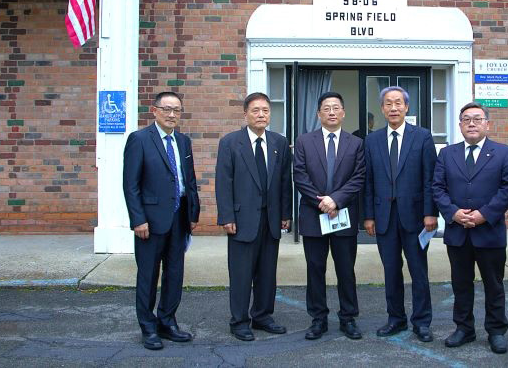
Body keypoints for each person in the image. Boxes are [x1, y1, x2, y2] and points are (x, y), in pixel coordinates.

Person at [432, 102, 508, 353]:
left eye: (477, 119)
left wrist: (484, 215)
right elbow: (437, 187)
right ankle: (464, 328)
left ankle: (496, 330)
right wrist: (453, 213)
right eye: (466, 119)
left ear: (487, 124)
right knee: (461, 284)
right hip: (458, 232)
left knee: (494, 285)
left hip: (489, 232)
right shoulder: (447, 154)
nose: (471, 123)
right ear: (460, 125)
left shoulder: (504, 153)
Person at [122, 91, 200, 350]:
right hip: (150, 221)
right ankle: (148, 327)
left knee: (174, 273)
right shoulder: (139, 140)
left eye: (176, 110)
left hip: (179, 218)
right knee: (148, 275)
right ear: (154, 110)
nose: (172, 114)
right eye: (166, 109)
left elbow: (189, 180)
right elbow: (131, 184)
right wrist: (138, 220)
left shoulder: (183, 141)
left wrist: (193, 214)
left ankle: (167, 322)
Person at [215, 92, 293, 341]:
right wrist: (227, 216)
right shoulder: (230, 143)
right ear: (245, 114)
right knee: (241, 274)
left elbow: (285, 181)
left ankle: (262, 316)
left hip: (271, 219)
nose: (261, 115)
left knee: (267, 273)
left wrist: (286, 213)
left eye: (265, 110)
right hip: (241, 220)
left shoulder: (279, 143)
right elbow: (223, 182)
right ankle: (239, 321)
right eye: (256, 110)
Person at [363, 86, 438, 342]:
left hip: (415, 217)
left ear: (406, 107)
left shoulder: (422, 137)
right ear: (382, 109)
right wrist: (369, 216)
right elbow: (368, 181)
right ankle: (395, 318)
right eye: (388, 103)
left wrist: (430, 213)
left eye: (398, 103)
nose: (393, 108)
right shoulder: (372, 140)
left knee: (418, 271)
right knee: (391, 270)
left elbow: (430, 178)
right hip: (384, 217)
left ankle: (422, 322)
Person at [293, 92, 366, 340]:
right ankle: (318, 319)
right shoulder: (304, 141)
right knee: (315, 269)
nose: (331, 112)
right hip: (314, 216)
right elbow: (300, 176)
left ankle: (348, 318)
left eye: (336, 107)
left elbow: (358, 177)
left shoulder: (355, 143)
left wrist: (336, 200)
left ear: (343, 113)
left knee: (346, 269)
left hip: (343, 216)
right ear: (319, 114)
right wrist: (322, 202)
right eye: (326, 108)